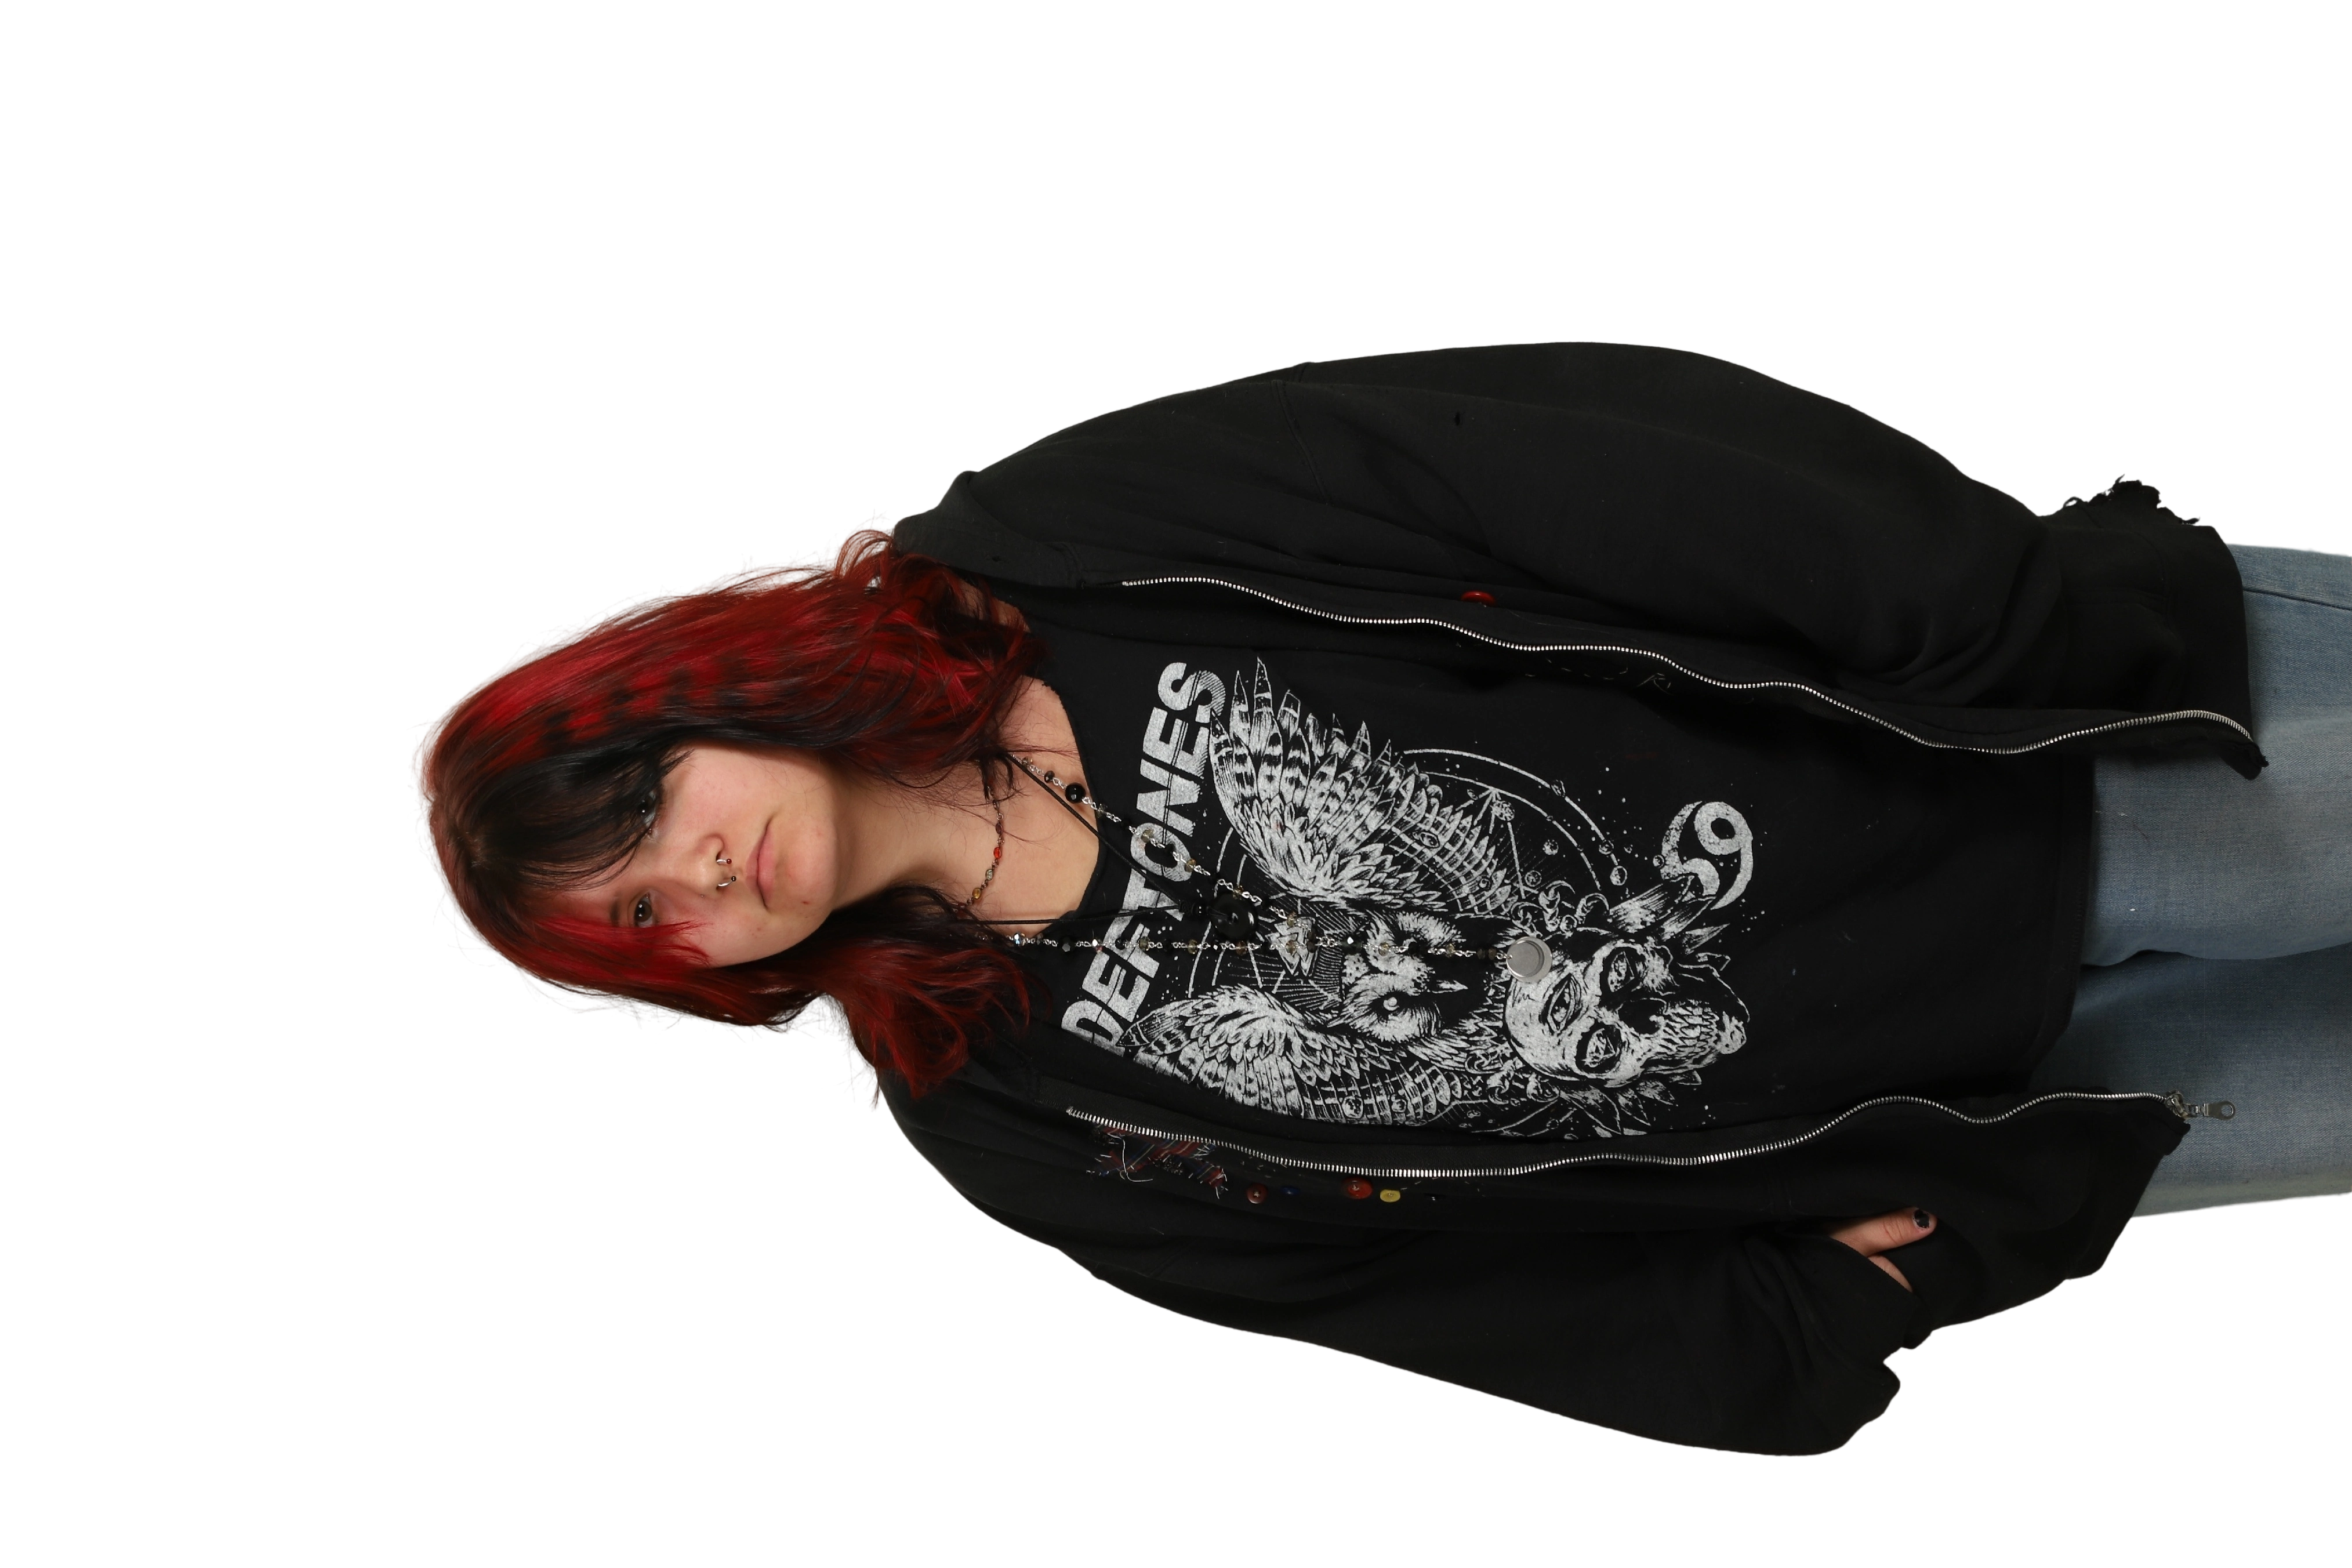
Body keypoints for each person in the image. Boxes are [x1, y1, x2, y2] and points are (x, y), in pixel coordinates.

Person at [405, 340, 2352, 1458]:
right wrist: (1810, 1316)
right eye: (640, 919)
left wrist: (1985, 616)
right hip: (2024, 1099)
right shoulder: (1004, 1114)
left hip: (2053, 751)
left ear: (692, 694)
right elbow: (1432, 1300)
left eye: (645, 803)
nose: (698, 872)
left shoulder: (1057, 547)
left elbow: (1543, 452)